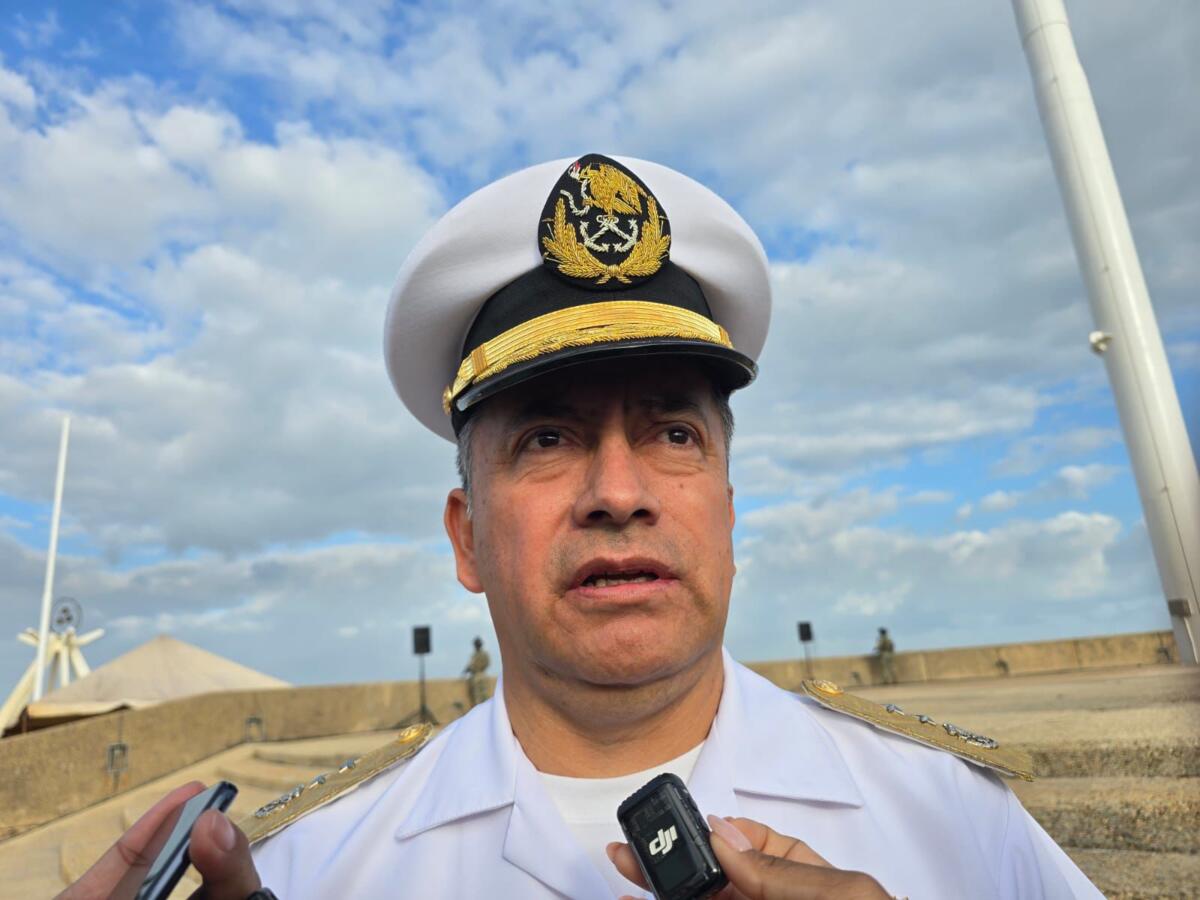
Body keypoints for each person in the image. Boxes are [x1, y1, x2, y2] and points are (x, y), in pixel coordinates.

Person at [60, 154, 1102, 899]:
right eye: (548, 438)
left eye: (674, 434)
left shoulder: (953, 819)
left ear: (729, 509)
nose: (618, 490)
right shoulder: (310, 867)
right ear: (467, 539)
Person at [463, 636, 491, 707]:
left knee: (480, 697)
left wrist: (472, 668)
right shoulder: (479, 654)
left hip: (478, 676)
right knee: (479, 697)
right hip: (480, 676)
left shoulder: (480, 654)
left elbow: (473, 665)